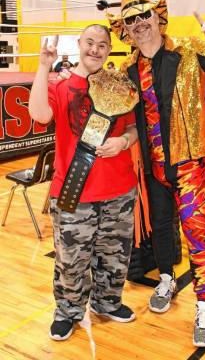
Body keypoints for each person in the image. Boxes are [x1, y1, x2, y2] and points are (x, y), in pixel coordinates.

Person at [107, 0, 205, 347]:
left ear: (158, 16)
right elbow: (108, 109)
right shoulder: (127, 70)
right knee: (160, 229)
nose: (140, 24)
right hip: (152, 169)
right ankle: (167, 278)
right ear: (124, 30)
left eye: (145, 15)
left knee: (197, 235)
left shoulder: (189, 50)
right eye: (131, 19)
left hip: (189, 166)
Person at [29, 24, 139, 341]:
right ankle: (67, 312)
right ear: (79, 44)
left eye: (102, 44)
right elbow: (39, 114)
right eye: (89, 43)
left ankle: (107, 303)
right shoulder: (61, 85)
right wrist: (43, 65)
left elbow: (132, 129)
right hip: (73, 191)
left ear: (108, 49)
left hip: (119, 189)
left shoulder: (120, 85)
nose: (95, 49)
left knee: (115, 256)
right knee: (70, 260)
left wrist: (124, 142)